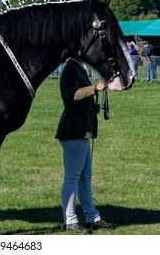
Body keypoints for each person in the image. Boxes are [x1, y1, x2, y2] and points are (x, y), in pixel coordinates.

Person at [55, 57, 116, 234]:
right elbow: (71, 94)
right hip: (75, 131)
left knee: (85, 178)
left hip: (81, 130)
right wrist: (95, 88)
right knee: (72, 178)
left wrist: (92, 107)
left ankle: (93, 218)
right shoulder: (71, 69)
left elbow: (79, 99)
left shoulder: (77, 67)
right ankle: (71, 220)